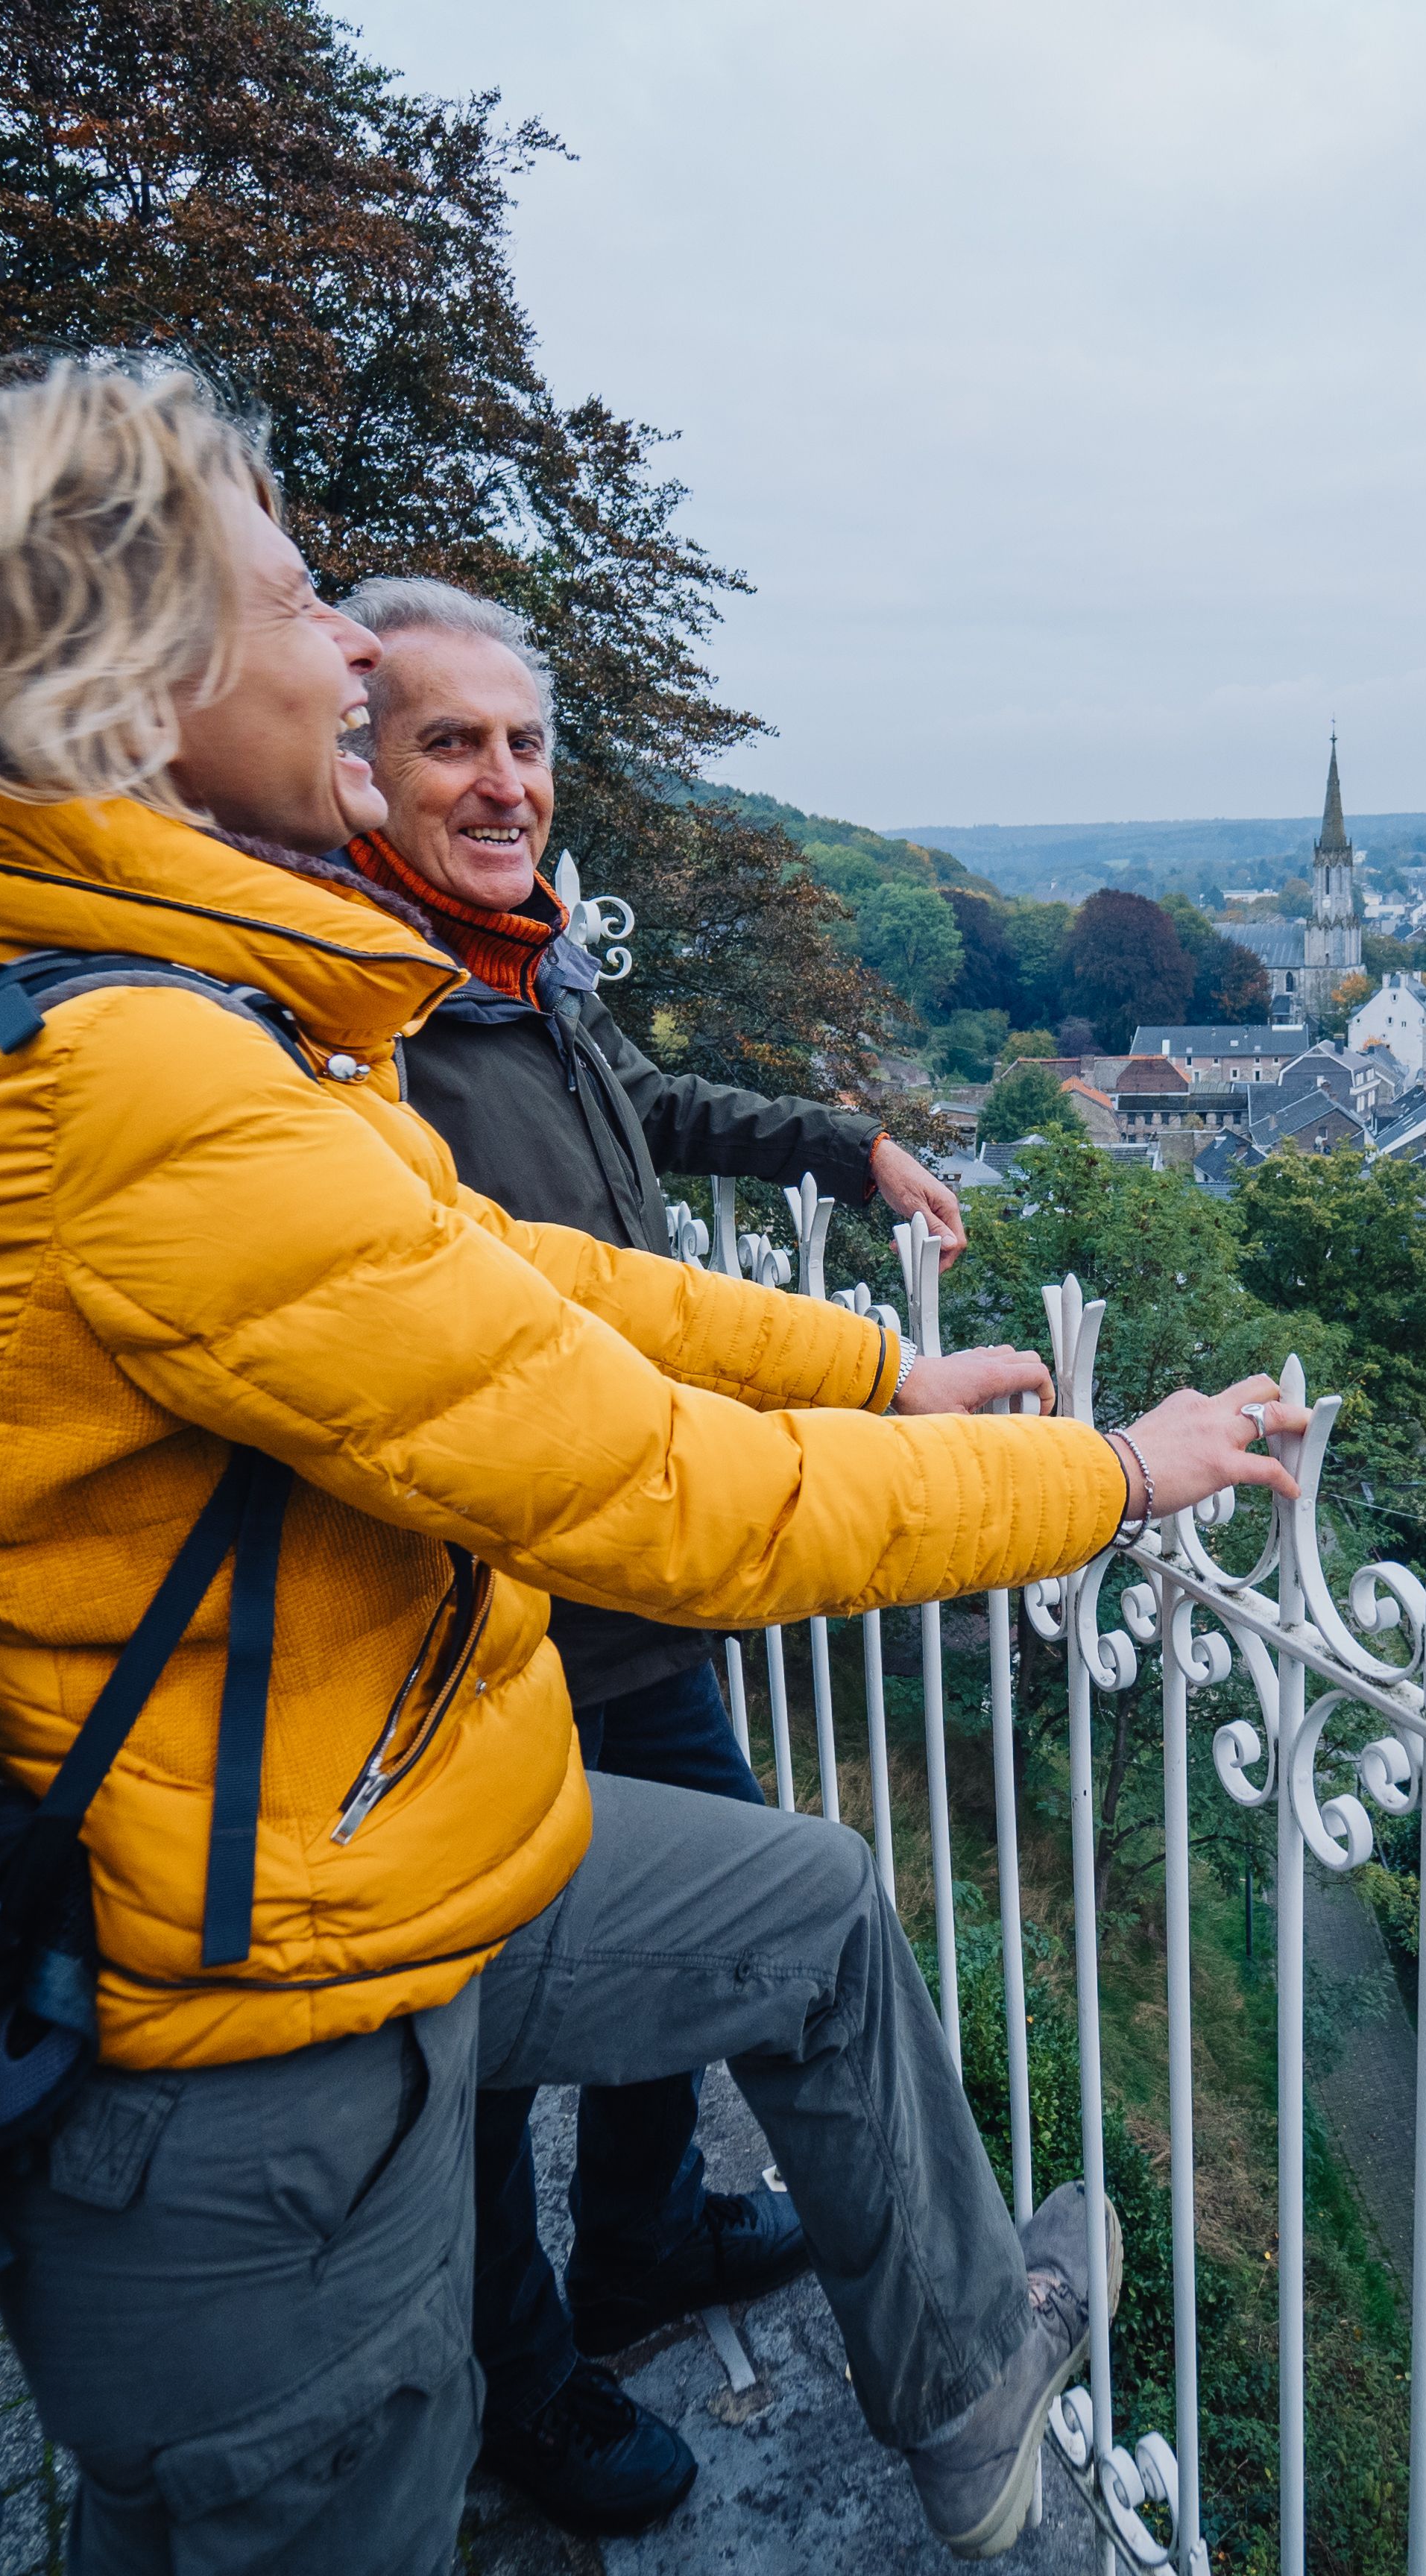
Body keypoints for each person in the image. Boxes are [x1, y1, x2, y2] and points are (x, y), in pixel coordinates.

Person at [0, 351, 1296, 2574]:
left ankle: (972, 2390)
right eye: (297, 602)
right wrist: (1114, 1474)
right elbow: (682, 1497)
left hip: (340, 1870)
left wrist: (864, 1369)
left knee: (807, 1909)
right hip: (254, 2072)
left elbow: (523, 1269)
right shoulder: (139, 1090)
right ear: (132, 675)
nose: (351, 648)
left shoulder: (158, 1023)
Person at [295, 572, 924, 2533]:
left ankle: (641, 2235)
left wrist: (839, 1145)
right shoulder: (355, 1017)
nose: (505, 780)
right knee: (494, 2018)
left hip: (638, 1570)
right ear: (357, 767)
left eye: (526, 742)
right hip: (490, 1595)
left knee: (716, 1925)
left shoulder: (519, 962)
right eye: (451, 742)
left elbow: (638, 1111)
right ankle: (518, 2380)